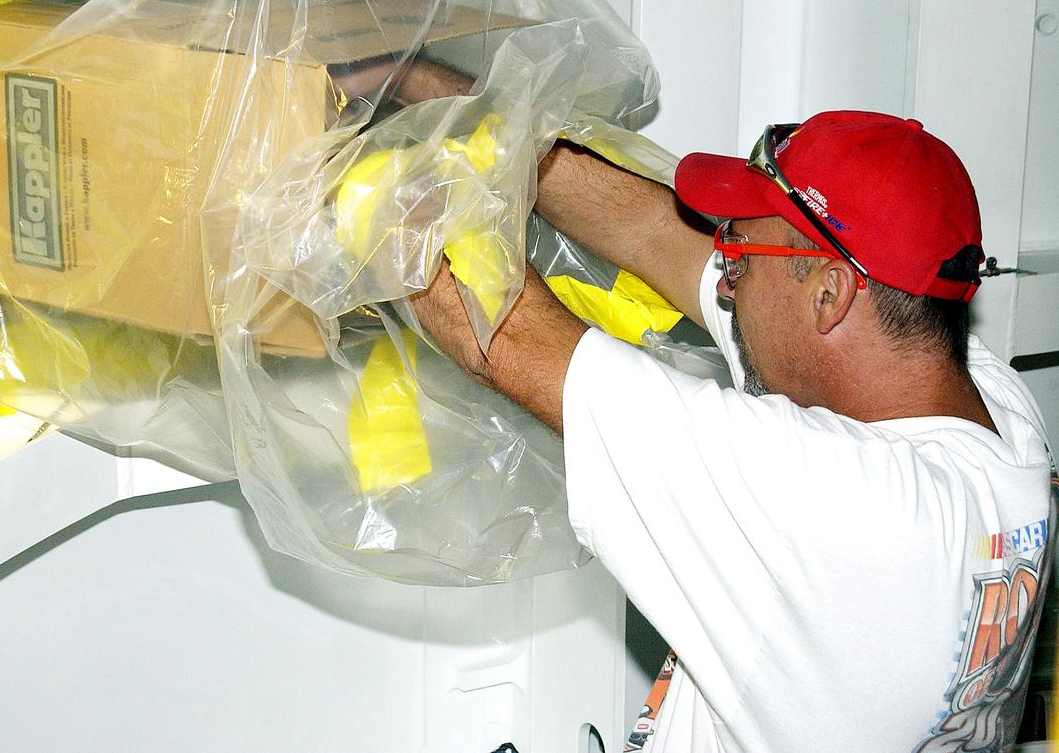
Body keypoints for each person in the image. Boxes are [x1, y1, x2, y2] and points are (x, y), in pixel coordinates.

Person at [406, 110, 1054, 753]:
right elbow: (652, 232)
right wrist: (451, 105)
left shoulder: (831, 507)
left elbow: (504, 338)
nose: (724, 275)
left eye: (741, 255)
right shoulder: (999, 417)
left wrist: (378, 206)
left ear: (830, 295)